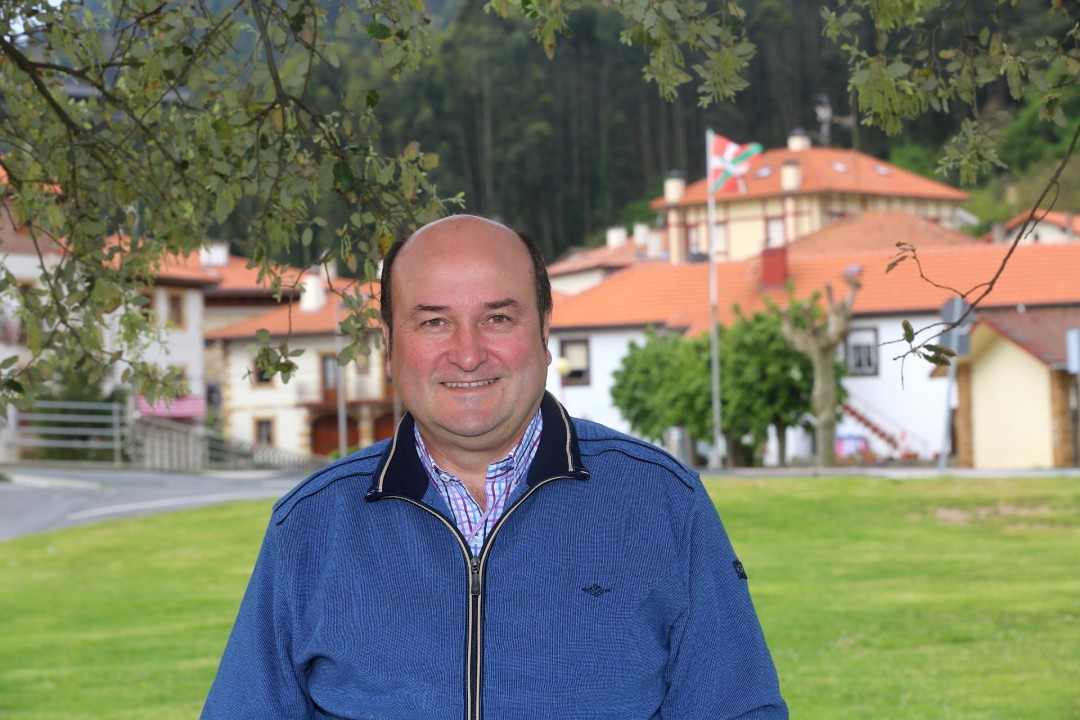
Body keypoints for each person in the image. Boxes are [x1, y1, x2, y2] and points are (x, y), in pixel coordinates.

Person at [201, 214, 788, 719]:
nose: (467, 353)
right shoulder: (311, 527)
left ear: (545, 330)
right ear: (390, 343)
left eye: (498, 318)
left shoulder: (663, 503)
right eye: (433, 321)